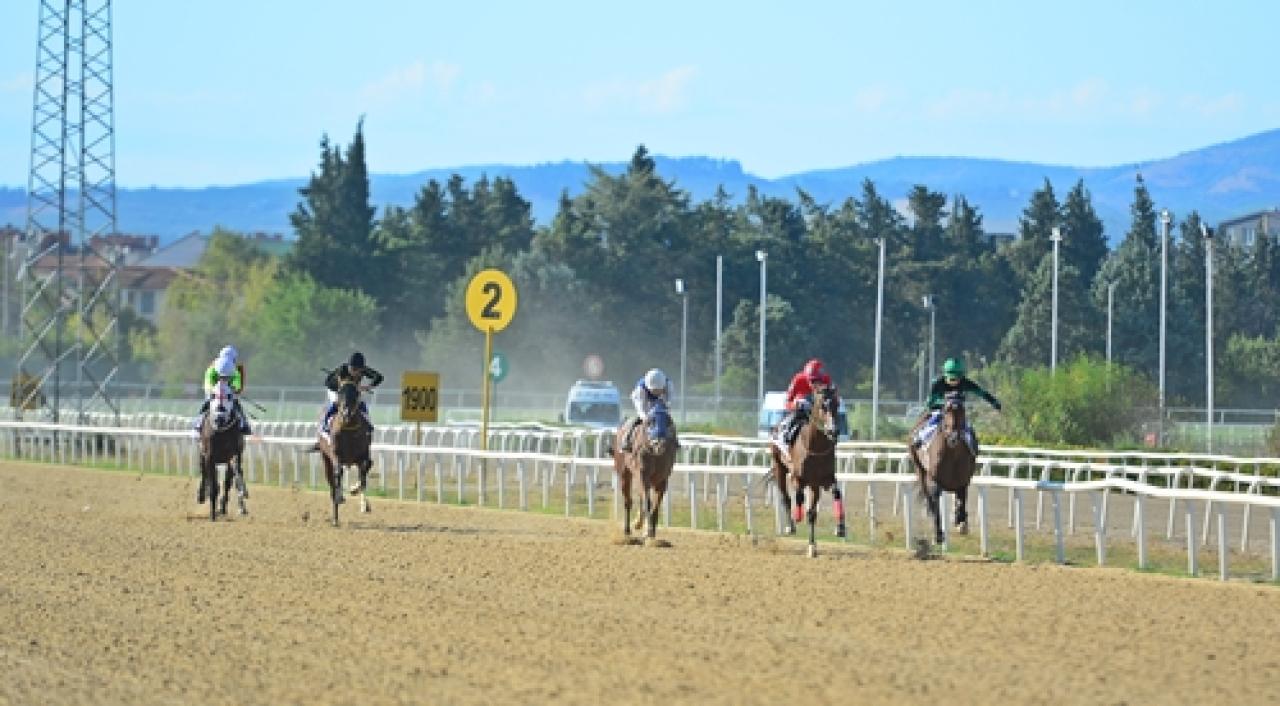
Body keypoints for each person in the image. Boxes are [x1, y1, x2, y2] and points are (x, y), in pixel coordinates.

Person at [912, 357, 1001, 454]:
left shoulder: (966, 383)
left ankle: (973, 447)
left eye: (956, 378)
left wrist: (993, 402)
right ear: (945, 375)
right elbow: (930, 402)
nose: (954, 381)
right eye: (951, 378)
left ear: (961, 376)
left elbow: (981, 393)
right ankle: (921, 438)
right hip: (940, 409)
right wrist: (945, 403)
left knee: (967, 426)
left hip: (958, 411)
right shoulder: (938, 384)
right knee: (934, 420)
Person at [774, 358, 838, 461]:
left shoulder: (827, 379)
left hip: (819, 409)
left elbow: (833, 398)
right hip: (801, 409)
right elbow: (787, 402)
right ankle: (784, 442)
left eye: (819, 381)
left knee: (831, 422)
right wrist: (796, 405)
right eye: (813, 381)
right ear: (807, 378)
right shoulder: (798, 379)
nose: (816, 384)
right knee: (791, 420)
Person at [320, 351, 384, 439]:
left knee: (361, 403)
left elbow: (379, 377)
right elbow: (327, 382)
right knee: (336, 403)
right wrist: (341, 388)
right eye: (353, 369)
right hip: (335, 390)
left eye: (359, 370)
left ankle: (368, 424)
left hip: (352, 391)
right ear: (349, 366)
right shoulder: (342, 370)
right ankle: (325, 425)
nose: (356, 372)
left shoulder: (364, 370)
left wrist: (368, 386)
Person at [193, 345, 250, 434]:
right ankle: (199, 423)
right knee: (207, 403)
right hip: (214, 392)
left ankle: (244, 423)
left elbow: (237, 381)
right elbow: (208, 381)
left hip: (228, 392)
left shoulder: (234, 369)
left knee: (236, 405)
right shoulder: (212, 368)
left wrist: (234, 388)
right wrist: (212, 389)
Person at [620, 368, 669, 452]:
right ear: (649, 387)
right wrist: (645, 417)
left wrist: (664, 409)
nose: (657, 392)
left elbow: (669, 402)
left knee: (664, 417)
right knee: (639, 419)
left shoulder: (668, 385)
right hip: (643, 400)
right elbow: (641, 409)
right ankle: (626, 440)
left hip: (659, 401)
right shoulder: (640, 389)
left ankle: (675, 441)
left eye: (659, 390)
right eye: (654, 390)